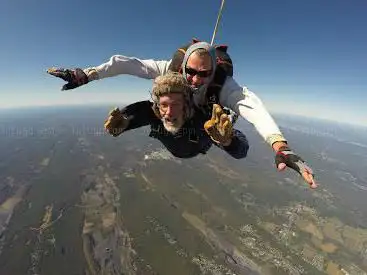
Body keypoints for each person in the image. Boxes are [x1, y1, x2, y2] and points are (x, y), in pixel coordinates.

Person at [47, 39, 317, 188]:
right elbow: (127, 64)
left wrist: (280, 146)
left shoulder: (223, 86)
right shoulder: (169, 69)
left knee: (225, 135)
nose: (196, 79)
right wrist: (86, 75)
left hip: (198, 132)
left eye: (204, 74)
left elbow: (252, 107)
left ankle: (223, 139)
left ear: (213, 72)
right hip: (174, 119)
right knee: (148, 106)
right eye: (190, 71)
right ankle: (123, 124)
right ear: (183, 65)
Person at [103, 71, 249, 159]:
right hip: (183, 149)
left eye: (176, 104)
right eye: (164, 105)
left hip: (196, 149)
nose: (169, 113)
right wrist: (119, 127)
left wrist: (227, 140)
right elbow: (129, 118)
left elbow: (241, 151)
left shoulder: (202, 119)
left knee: (219, 124)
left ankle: (230, 115)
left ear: (186, 104)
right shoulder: (151, 111)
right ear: (157, 105)